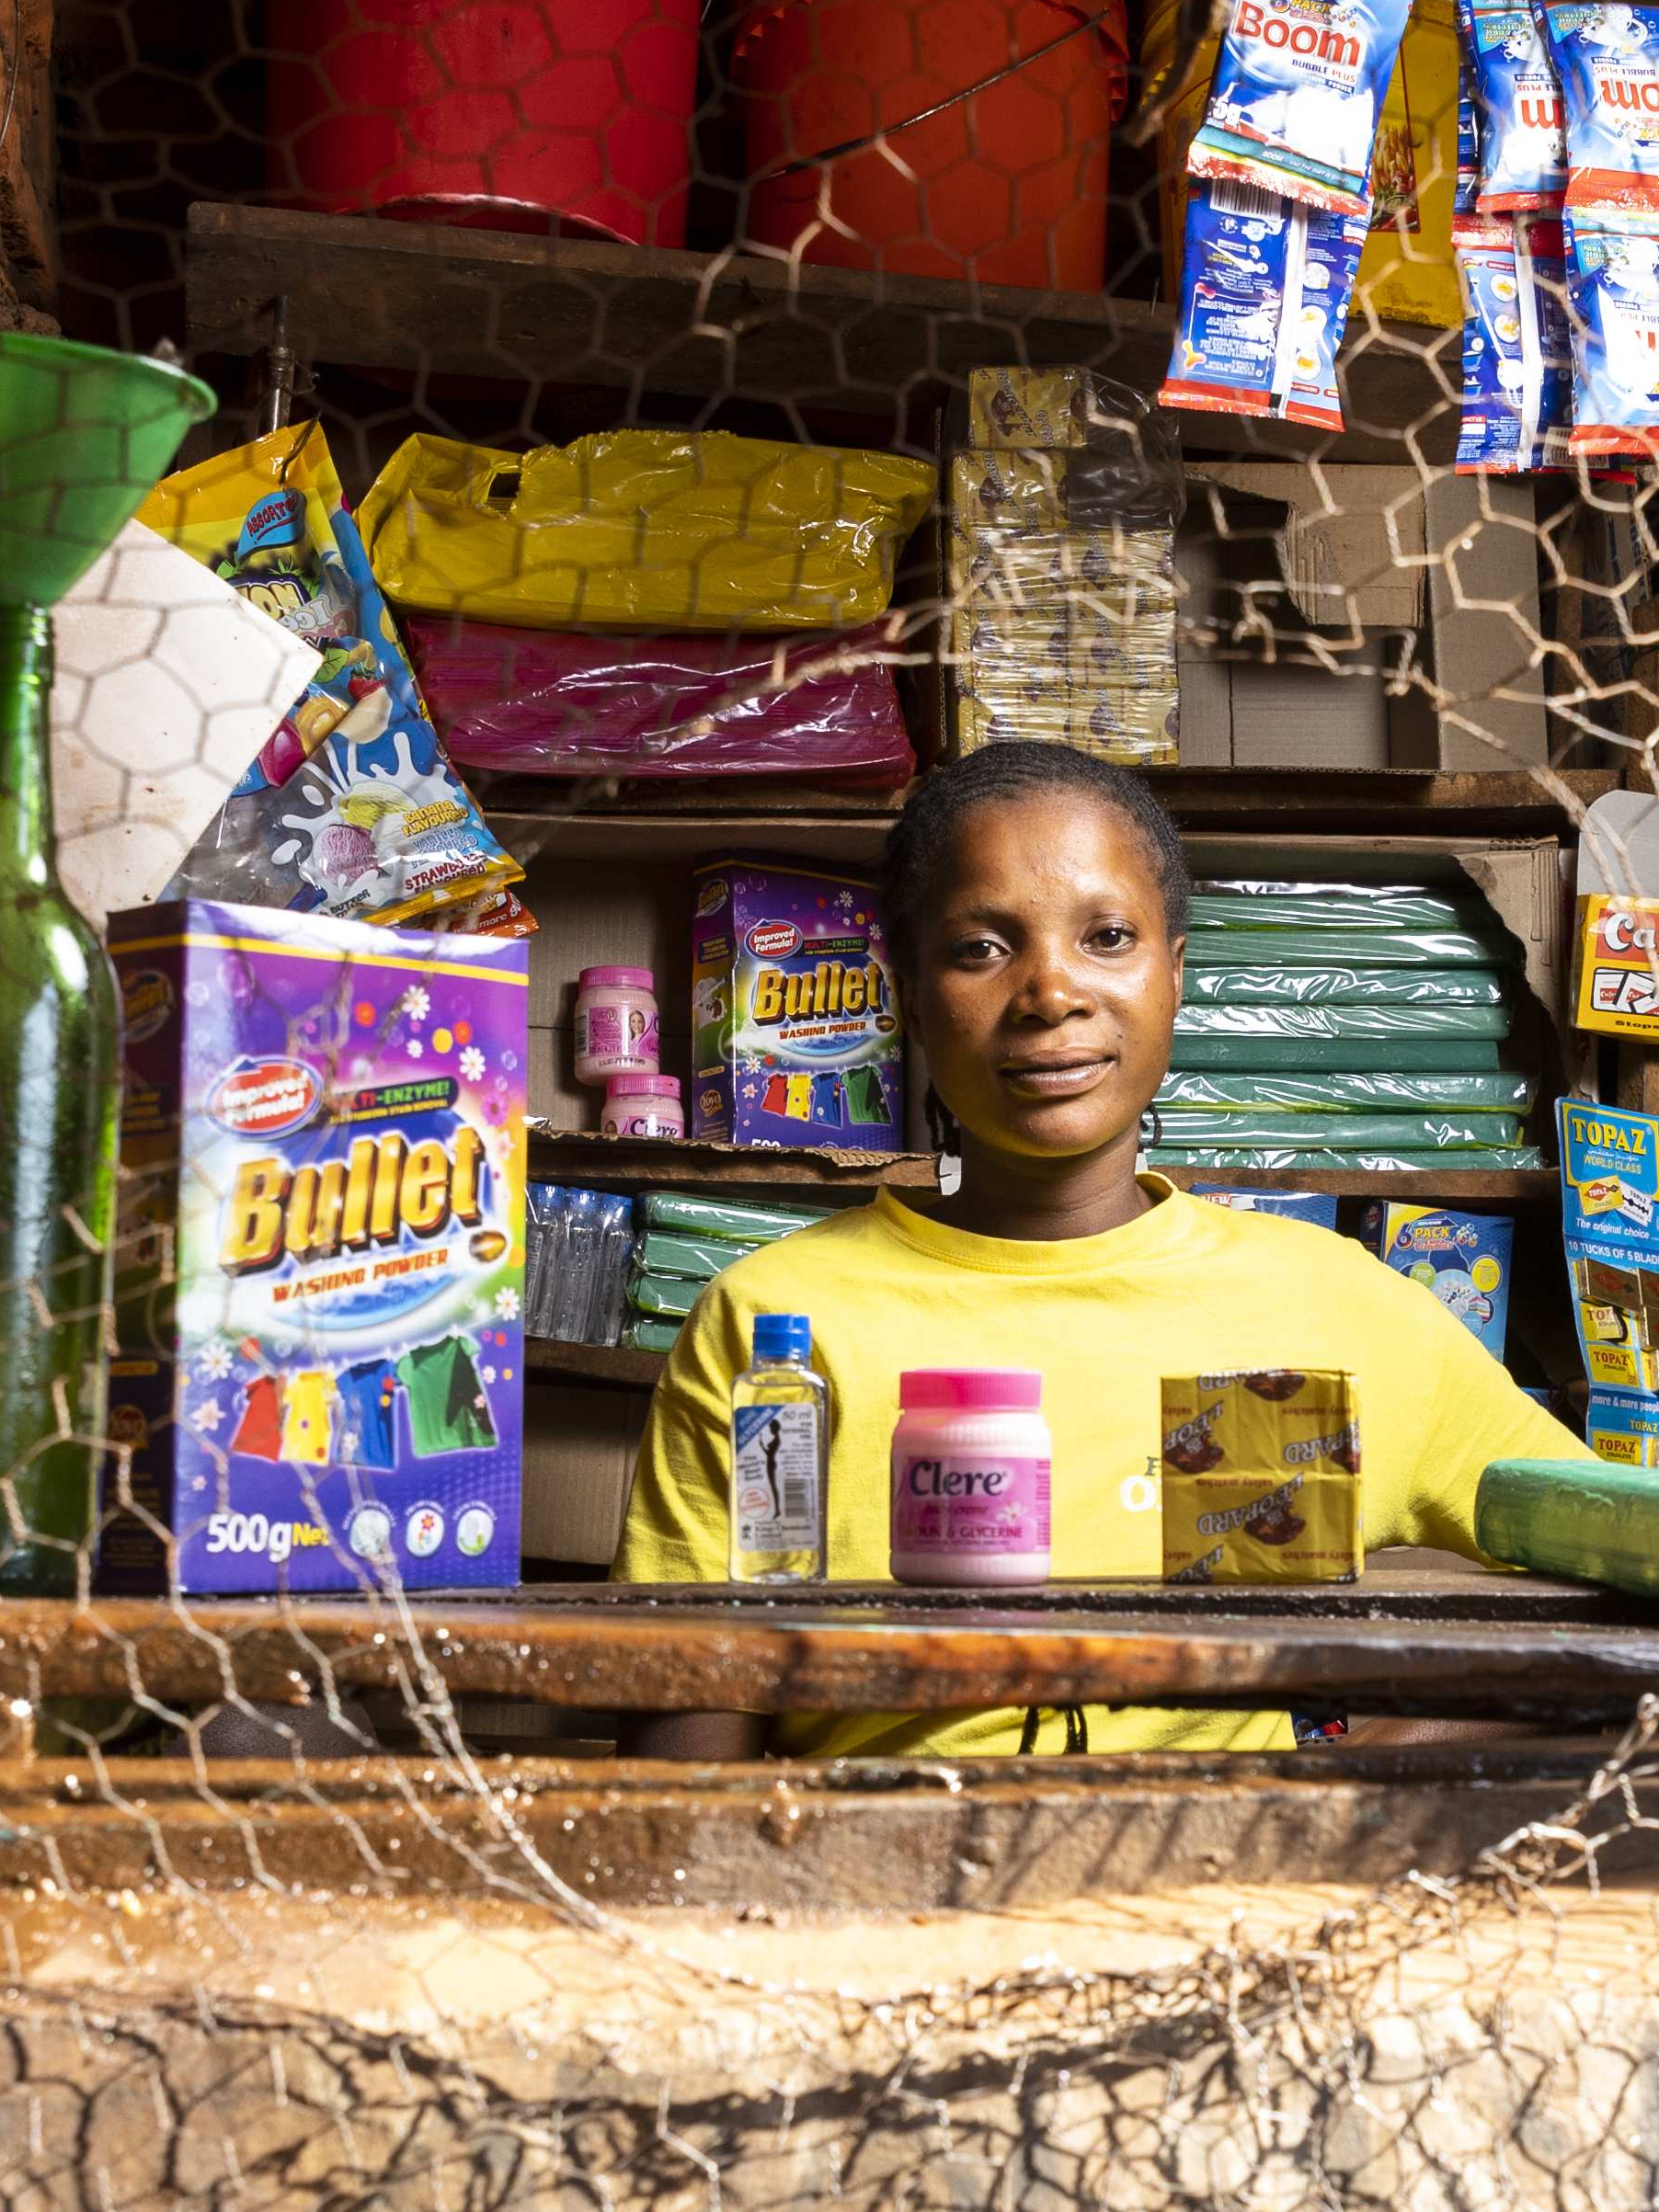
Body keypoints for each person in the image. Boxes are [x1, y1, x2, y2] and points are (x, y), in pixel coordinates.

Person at [615, 737, 1574, 1755]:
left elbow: (1626, 1557)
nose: (1051, 992)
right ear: (906, 992)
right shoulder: (779, 1329)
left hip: (1241, 1896)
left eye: (1107, 936)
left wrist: (1392, 1747)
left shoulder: (1337, 1306)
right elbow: (686, 1757)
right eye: (982, 947)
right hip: (889, 1889)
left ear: (1175, 975)